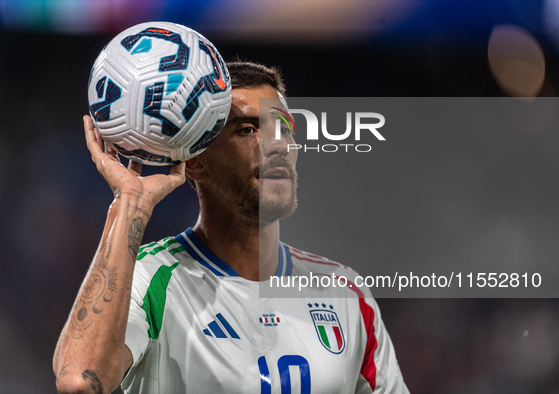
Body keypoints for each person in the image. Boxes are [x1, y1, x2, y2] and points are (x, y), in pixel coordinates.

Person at [53, 61, 409, 394]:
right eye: (248, 129)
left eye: (284, 126)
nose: (278, 145)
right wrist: (129, 203)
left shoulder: (345, 293)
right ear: (195, 163)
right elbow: (79, 380)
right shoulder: (149, 280)